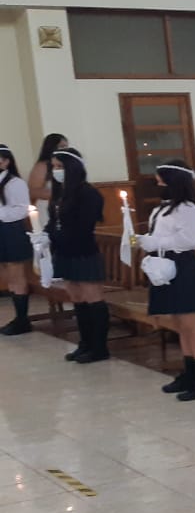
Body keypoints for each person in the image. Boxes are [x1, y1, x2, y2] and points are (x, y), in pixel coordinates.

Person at [138, 163, 195, 400]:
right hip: (165, 266)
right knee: (179, 323)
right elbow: (160, 234)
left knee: (191, 323)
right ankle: (189, 372)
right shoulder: (162, 208)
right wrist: (143, 239)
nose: (158, 184)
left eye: (161, 180)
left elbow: (188, 241)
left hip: (182, 266)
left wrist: (156, 243)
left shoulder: (189, 210)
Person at [45, 148, 109, 364]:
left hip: (83, 250)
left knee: (92, 296)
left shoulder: (88, 194)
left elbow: (83, 226)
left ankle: (99, 347)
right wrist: (44, 235)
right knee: (76, 297)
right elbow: (54, 221)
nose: (56, 171)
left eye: (60, 166)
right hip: (64, 251)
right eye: (54, 167)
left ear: (72, 168)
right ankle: (85, 343)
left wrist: (58, 236)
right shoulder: (60, 193)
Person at [0, 146, 31, 335]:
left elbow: (21, 209)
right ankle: (18, 317)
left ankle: (22, 319)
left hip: (11, 230)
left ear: (6, 161)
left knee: (16, 275)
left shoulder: (15, 183)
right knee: (8, 276)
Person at [27, 133, 64, 207]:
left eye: (66, 147)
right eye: (62, 147)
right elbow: (32, 192)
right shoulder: (42, 166)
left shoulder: (67, 165)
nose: (65, 150)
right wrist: (60, 193)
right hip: (46, 207)